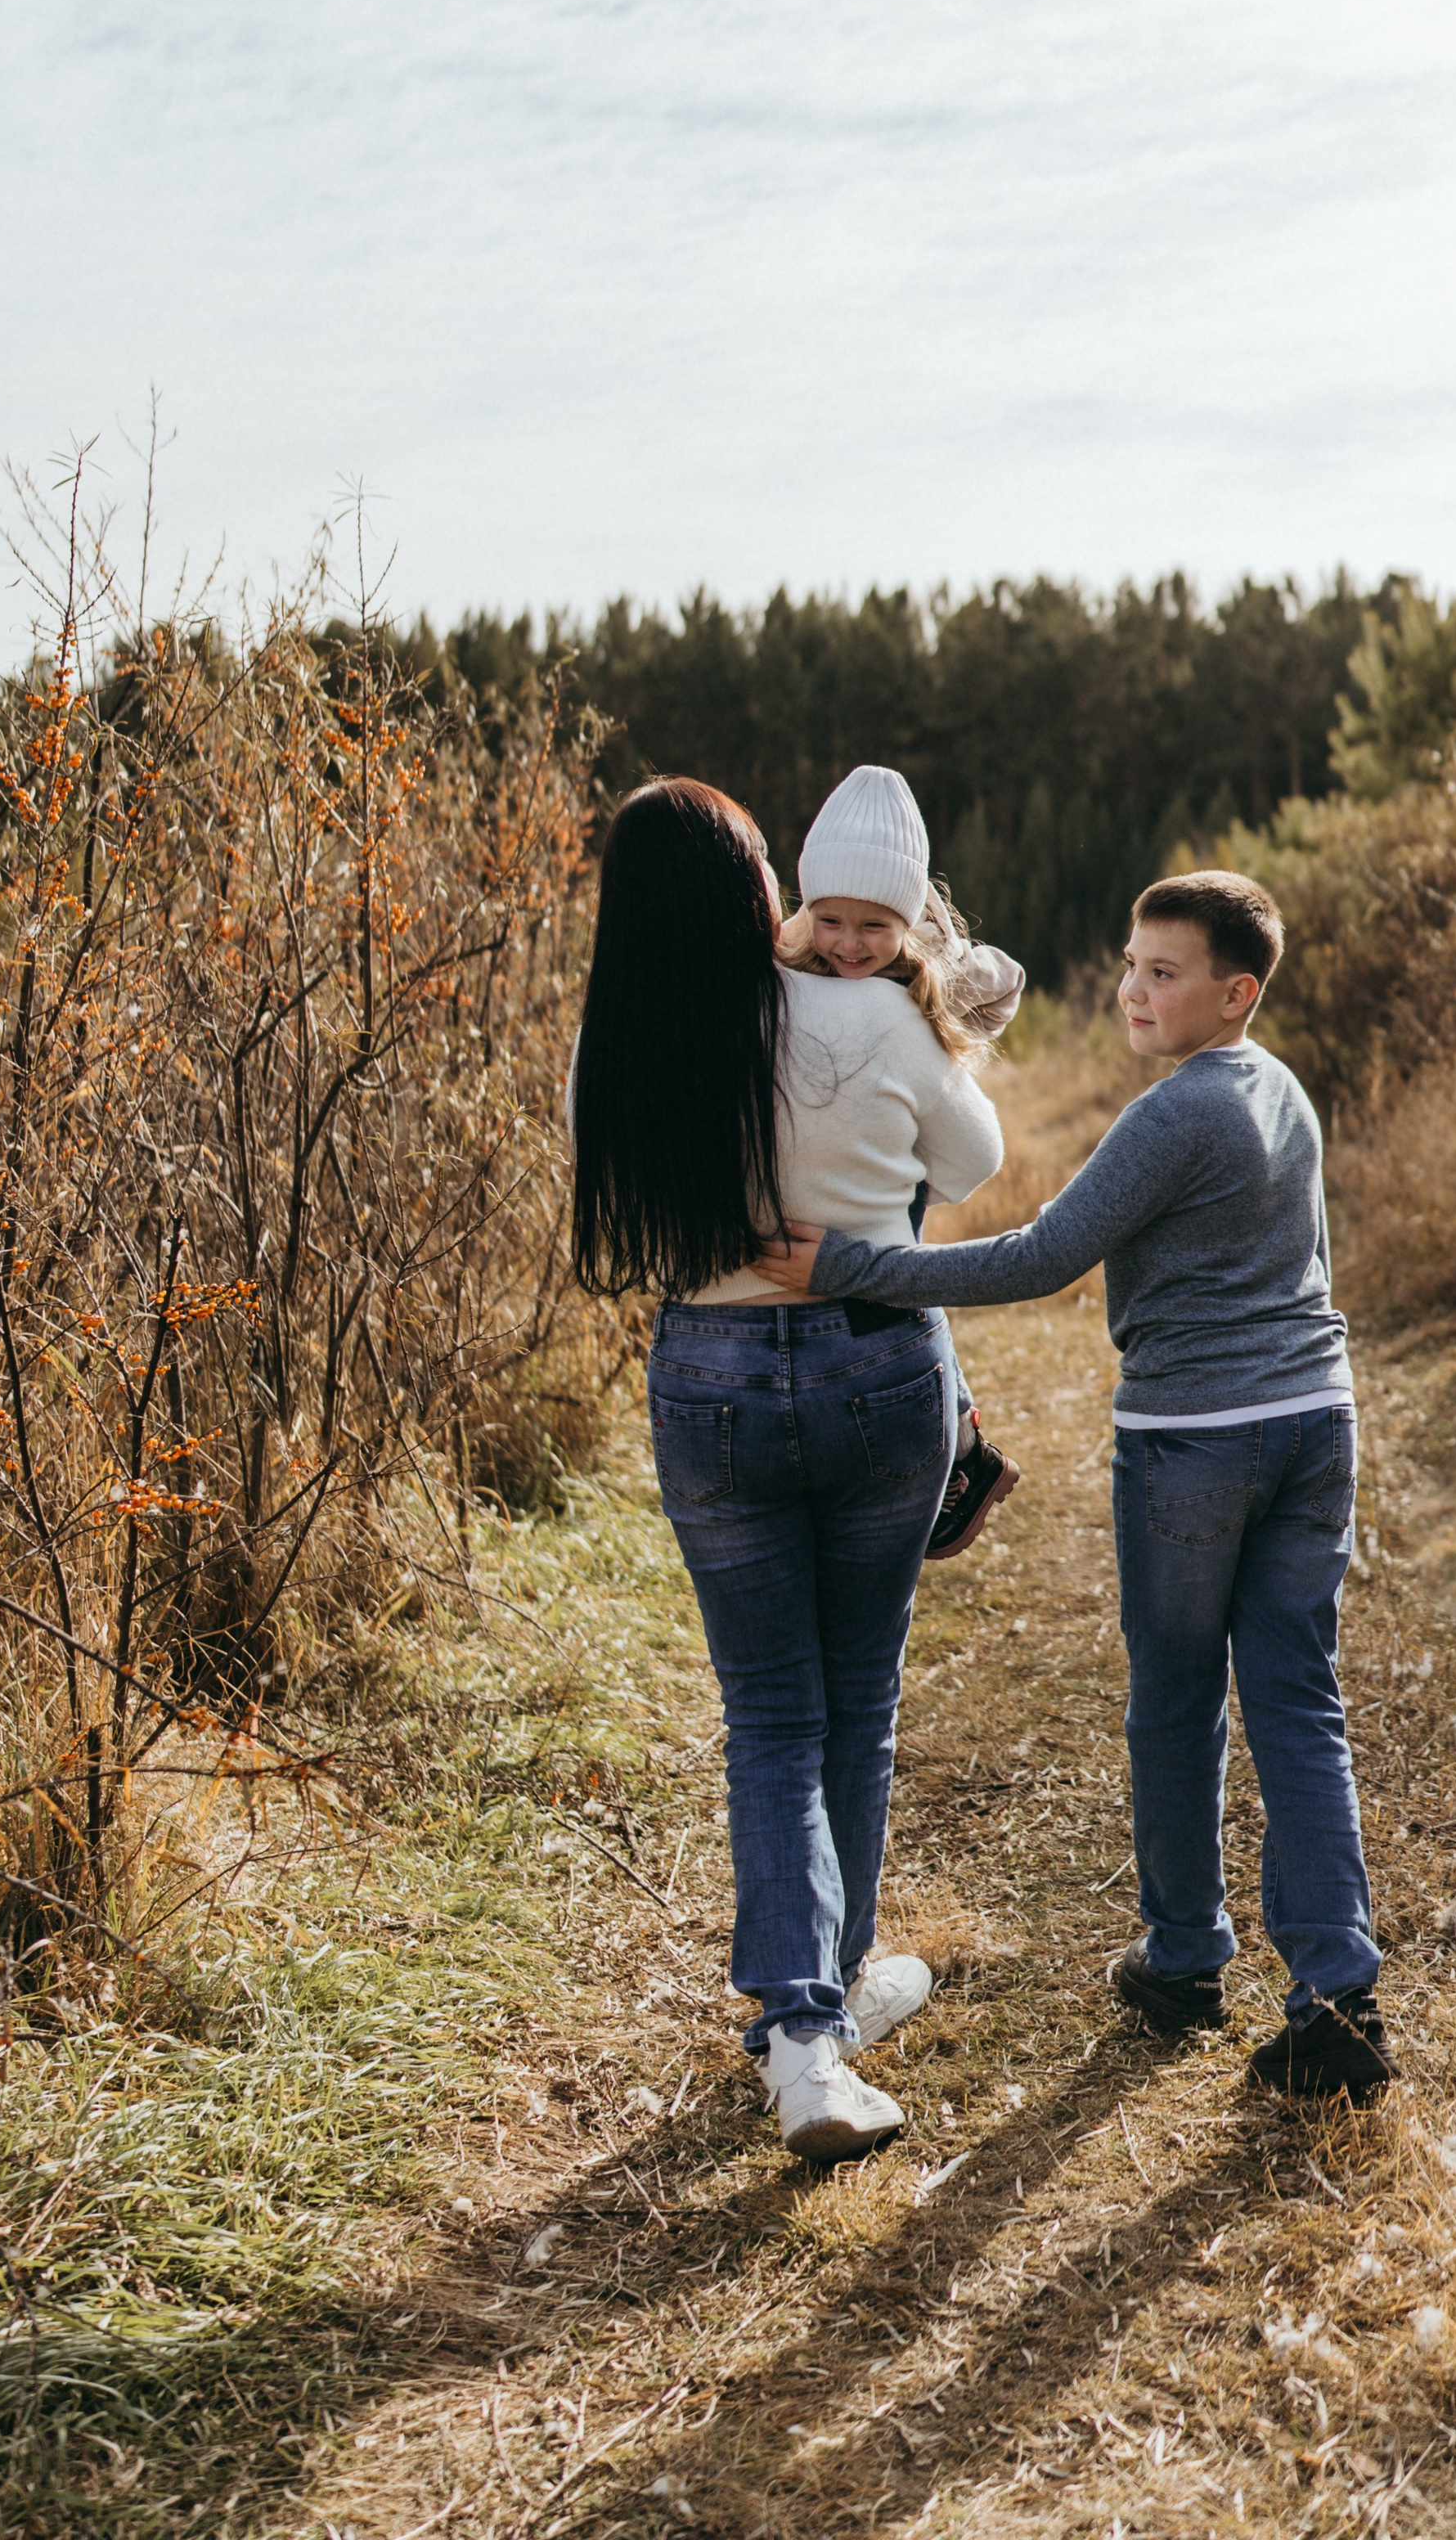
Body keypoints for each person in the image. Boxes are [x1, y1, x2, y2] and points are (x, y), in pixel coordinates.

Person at [757, 870, 1395, 2099]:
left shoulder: (1176, 1112)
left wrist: (848, 1265)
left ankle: (1184, 1959)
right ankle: (1336, 2000)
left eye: (1164, 973)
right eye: (1131, 964)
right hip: (1318, 1421)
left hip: (1196, 1438)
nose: (1133, 991)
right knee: (1297, 1701)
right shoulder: (1282, 1091)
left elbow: (1041, 1256)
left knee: (1176, 1699)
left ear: (1236, 992)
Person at [570, 778, 1004, 2162]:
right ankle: (826, 2004)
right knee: (855, 1697)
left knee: (768, 1710)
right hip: (877, 1366)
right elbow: (974, 1163)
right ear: (754, 887)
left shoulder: (627, 1042)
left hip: (707, 1375)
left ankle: (806, 2024)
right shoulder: (868, 1012)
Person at [779, 763, 1026, 1557]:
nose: (849, 945)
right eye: (831, 921)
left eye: (874, 928)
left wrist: (940, 993)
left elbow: (1004, 983)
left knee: (897, 1277)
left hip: (905, 1154)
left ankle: (959, 1438)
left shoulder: (928, 961)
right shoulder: (796, 951)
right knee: (885, 1278)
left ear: (907, 917)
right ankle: (956, 1437)